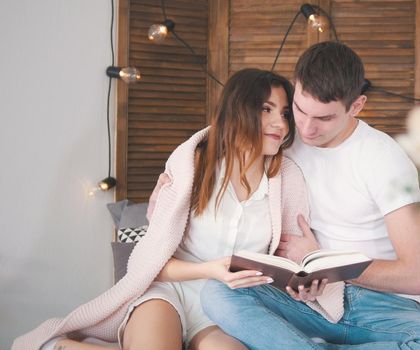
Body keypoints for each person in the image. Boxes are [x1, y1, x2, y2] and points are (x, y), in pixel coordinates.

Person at [12, 68, 315, 350]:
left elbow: (286, 266)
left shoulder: (286, 179)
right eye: (267, 109)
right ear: (238, 110)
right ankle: (60, 344)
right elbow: (151, 260)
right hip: (170, 291)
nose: (281, 124)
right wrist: (208, 270)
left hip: (229, 306)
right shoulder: (194, 165)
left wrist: (306, 273)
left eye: (285, 113)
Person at [201, 42, 420, 349]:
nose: (307, 129)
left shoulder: (385, 159)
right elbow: (227, 134)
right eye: (299, 109)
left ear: (357, 106)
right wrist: (178, 171)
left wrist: (325, 263)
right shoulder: (284, 137)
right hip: (308, 304)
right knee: (217, 293)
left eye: (324, 118)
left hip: (380, 309)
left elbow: (417, 276)